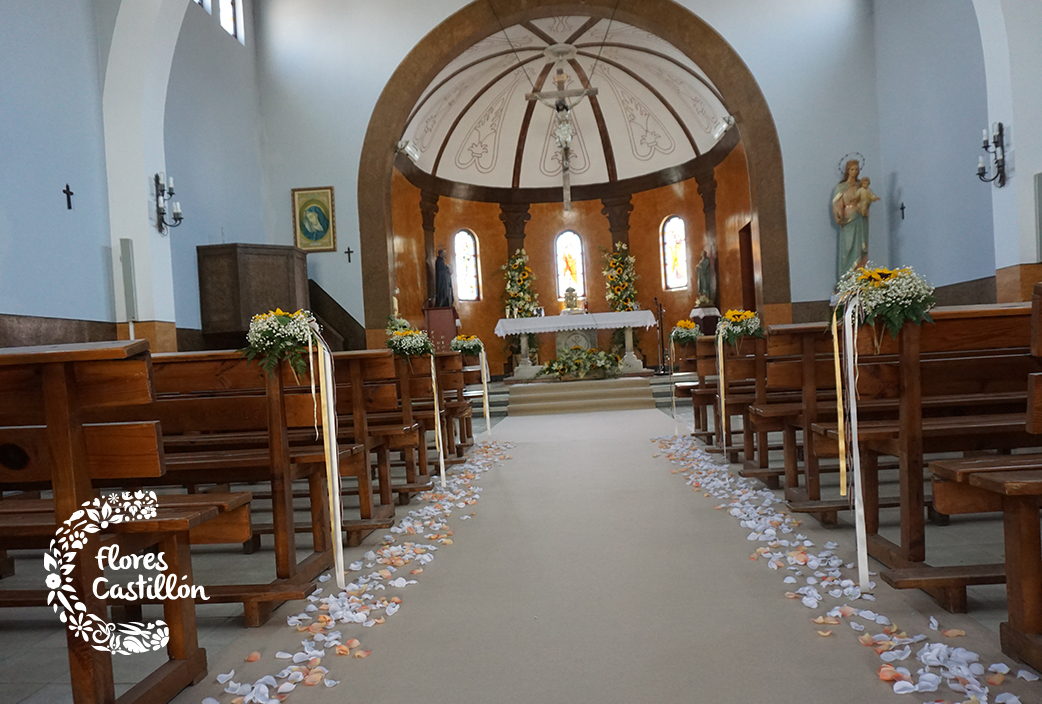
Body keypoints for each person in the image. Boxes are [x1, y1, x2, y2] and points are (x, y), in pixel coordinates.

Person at [832, 159, 869, 279]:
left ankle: (859, 278)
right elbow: (837, 205)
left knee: (860, 248)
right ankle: (846, 280)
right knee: (847, 248)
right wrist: (838, 214)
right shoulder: (841, 187)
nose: (854, 172)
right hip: (848, 220)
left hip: (860, 219)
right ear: (847, 171)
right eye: (852, 169)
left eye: (856, 169)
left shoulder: (861, 186)